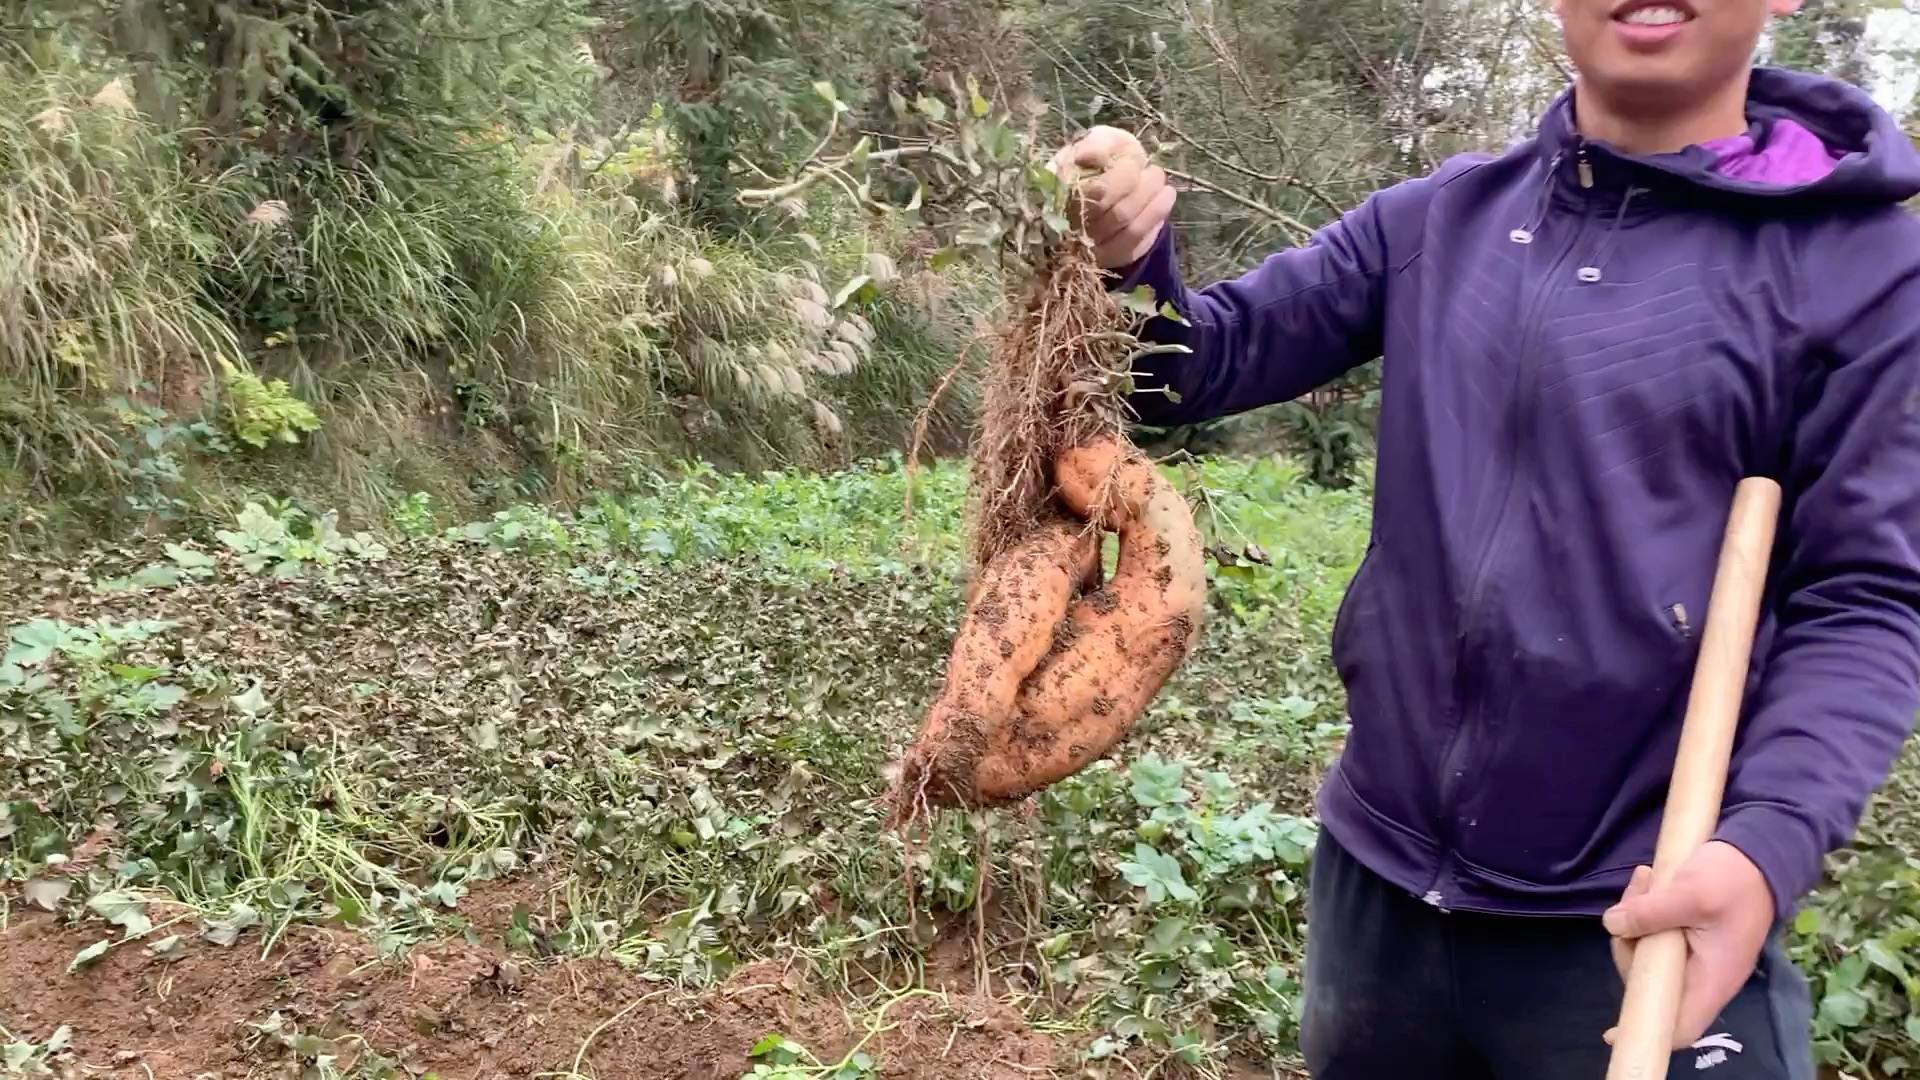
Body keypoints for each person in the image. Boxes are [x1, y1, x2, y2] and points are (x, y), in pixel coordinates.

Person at [1054, 0, 1920, 1076]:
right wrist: (1124, 260)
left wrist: (1766, 844)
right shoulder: (1438, 223)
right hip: (1377, 900)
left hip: (1644, 919)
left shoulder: (1863, 269)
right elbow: (1192, 368)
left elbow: (1870, 598)